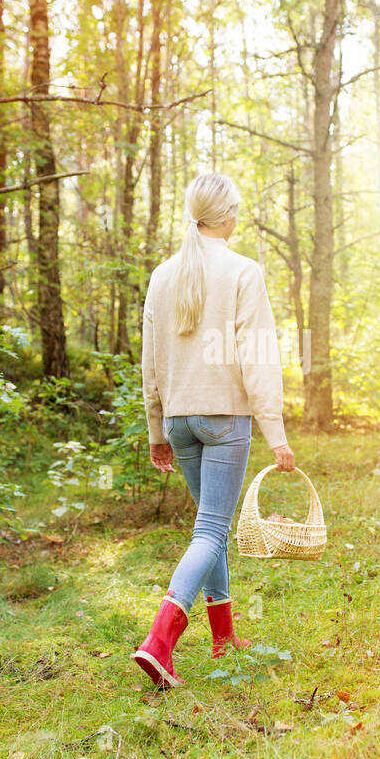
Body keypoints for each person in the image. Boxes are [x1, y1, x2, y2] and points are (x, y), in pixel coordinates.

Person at [133, 172, 295, 688]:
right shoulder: (244, 272)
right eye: (238, 208)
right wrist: (277, 431)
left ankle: (224, 638)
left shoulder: (162, 275)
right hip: (225, 420)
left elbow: (151, 362)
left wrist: (156, 427)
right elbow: (259, 358)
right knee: (211, 530)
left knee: (212, 526)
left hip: (180, 420)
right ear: (224, 215)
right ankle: (160, 641)